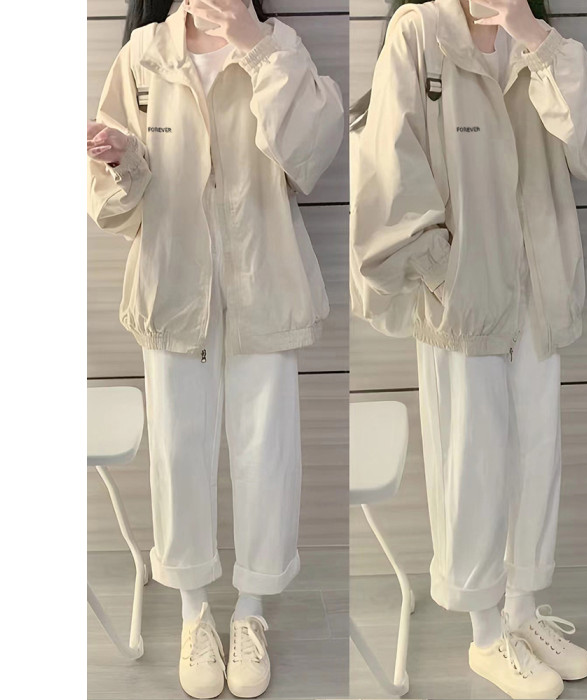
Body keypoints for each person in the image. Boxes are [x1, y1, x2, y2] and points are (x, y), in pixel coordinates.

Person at [350, 0, 587, 698]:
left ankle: (521, 612)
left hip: (537, 293)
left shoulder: (540, 40)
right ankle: (485, 634)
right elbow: (389, 164)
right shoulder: (419, 33)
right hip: (462, 299)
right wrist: (446, 273)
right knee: (471, 462)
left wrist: (533, 35)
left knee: (536, 454)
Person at [86, 1, 344, 697]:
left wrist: (257, 49)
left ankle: (252, 609)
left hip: (265, 283)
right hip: (174, 285)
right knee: (179, 450)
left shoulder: (280, 46)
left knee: (267, 451)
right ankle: (194, 611)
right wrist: (124, 163)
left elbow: (310, 157)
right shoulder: (143, 55)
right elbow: (111, 206)